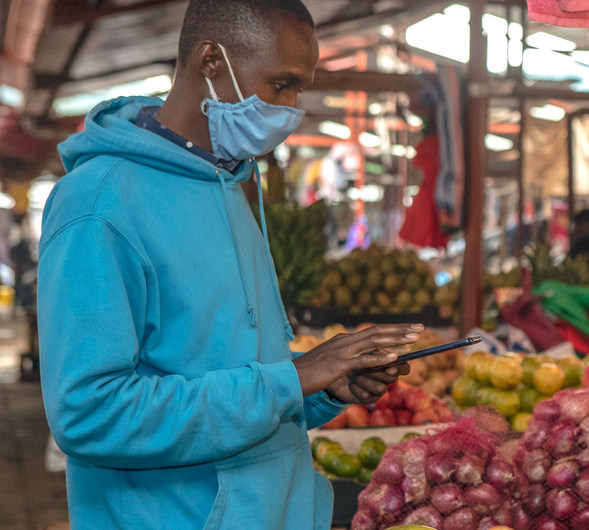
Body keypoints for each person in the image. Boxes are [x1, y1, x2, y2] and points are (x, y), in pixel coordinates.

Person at [38, 1, 421, 528]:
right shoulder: (99, 203)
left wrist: (322, 390)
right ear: (210, 61)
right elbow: (89, 415)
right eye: (281, 84)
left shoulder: (231, 185)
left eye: (299, 90)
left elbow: (230, 370)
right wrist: (293, 378)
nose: (290, 109)